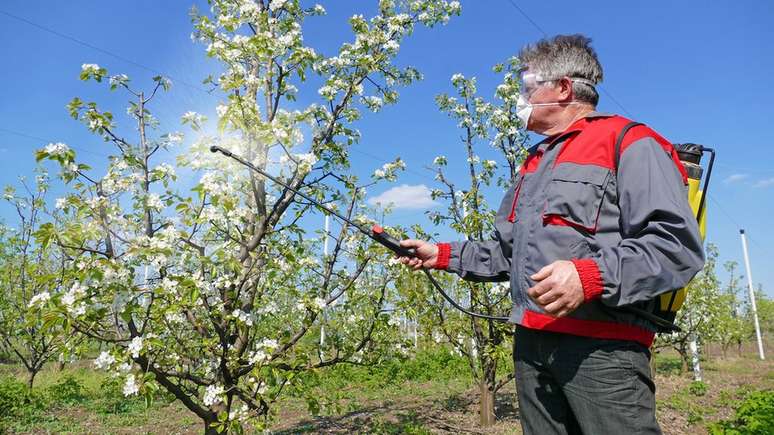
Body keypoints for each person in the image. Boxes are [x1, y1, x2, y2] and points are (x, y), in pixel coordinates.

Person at [398, 34, 704, 434]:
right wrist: (439, 254)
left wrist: (591, 276)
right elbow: (510, 254)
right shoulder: (536, 161)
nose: (519, 99)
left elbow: (675, 247)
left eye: (527, 88)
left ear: (561, 88)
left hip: (602, 352)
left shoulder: (629, 142)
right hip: (532, 345)